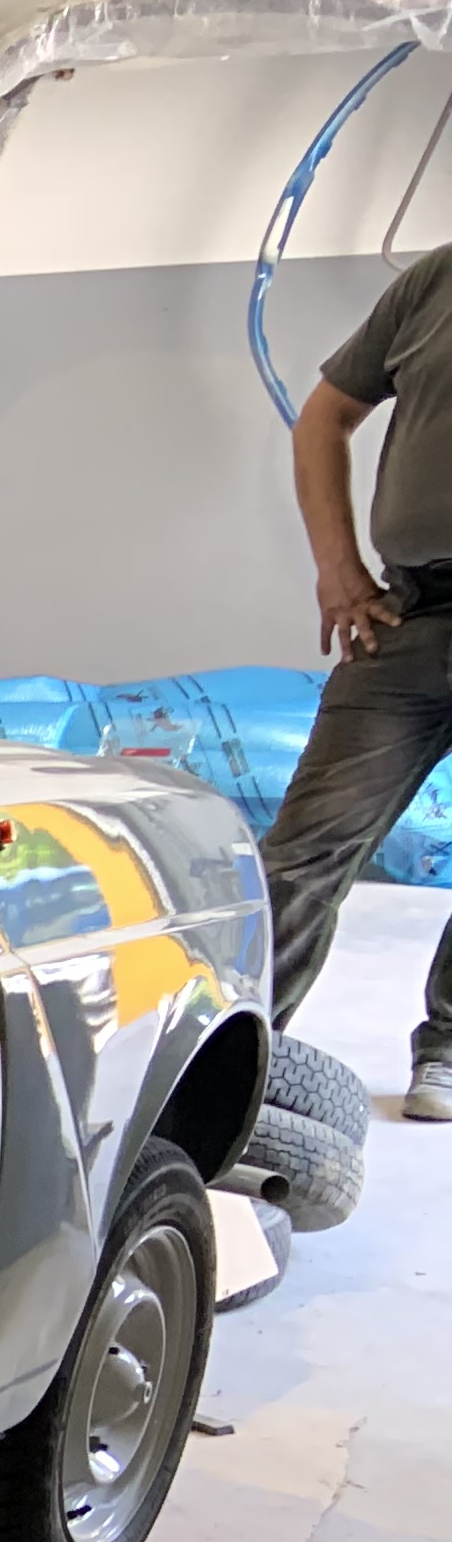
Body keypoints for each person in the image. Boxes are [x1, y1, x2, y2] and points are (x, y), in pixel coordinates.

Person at [265, 248, 452, 1121]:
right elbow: (324, 417)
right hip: (409, 615)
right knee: (304, 850)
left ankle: (448, 1048)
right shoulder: (434, 282)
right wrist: (337, 567)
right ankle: (225, 1051)